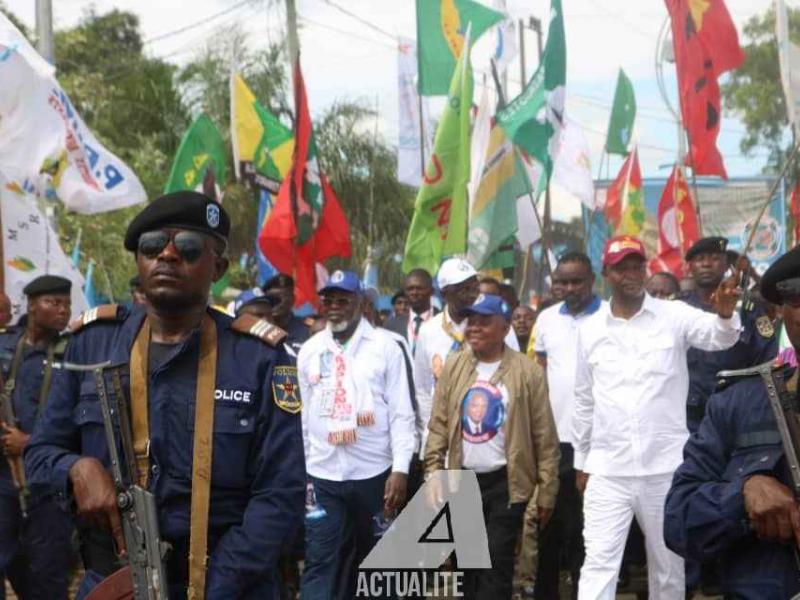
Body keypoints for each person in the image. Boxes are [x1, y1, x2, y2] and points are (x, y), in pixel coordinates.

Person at [25, 191, 305, 599]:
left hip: (230, 583)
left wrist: (214, 586)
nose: (168, 256)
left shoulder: (259, 358)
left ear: (219, 267)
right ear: (139, 261)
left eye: (189, 247)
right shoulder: (93, 345)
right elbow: (40, 454)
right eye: (153, 245)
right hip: (115, 582)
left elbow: (281, 493)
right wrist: (76, 468)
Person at [572, 235, 741, 600]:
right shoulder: (589, 330)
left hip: (665, 469)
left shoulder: (674, 315)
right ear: (606, 273)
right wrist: (582, 461)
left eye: (637, 265)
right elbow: (584, 401)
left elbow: (719, 337)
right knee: (599, 564)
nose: (631, 273)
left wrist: (725, 313)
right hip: (608, 471)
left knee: (668, 567)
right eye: (622, 267)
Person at [664, 244, 800, 599]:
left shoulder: (749, 310)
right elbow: (679, 520)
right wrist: (741, 496)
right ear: (784, 312)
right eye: (797, 298)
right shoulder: (737, 403)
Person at [425, 293, 560, 600]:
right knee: (465, 568)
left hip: (507, 484)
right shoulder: (454, 367)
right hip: (462, 481)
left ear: (504, 327)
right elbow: (439, 425)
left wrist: (548, 490)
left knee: (495, 565)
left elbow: (545, 437)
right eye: (471, 321)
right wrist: (433, 472)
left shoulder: (528, 373)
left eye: (484, 322)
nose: (474, 328)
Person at [297, 270, 416, 600]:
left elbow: (402, 414)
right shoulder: (309, 351)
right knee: (321, 561)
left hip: (375, 476)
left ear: (361, 304)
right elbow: (305, 419)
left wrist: (400, 470)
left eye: (343, 300)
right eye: (329, 300)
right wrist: (306, 473)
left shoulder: (386, 347)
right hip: (323, 476)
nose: (334, 307)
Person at [528, 251, 604, 600]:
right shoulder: (545, 320)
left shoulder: (609, 316)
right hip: (554, 442)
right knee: (549, 525)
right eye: (563, 281)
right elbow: (538, 375)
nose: (570, 287)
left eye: (577, 281)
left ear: (592, 281)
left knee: (587, 531)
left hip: (598, 442)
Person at [0, 275, 74, 599]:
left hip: (48, 482)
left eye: (67, 303)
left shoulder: (72, 351)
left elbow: (80, 423)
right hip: (4, 477)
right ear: (32, 305)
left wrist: (28, 442)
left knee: (48, 571)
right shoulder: (6, 345)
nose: (63, 310)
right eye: (54, 303)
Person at [414, 258, 518, 465]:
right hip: (447, 445)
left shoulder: (499, 326)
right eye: (462, 288)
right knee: (457, 497)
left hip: (492, 440)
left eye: (473, 285)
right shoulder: (428, 331)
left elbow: (516, 379)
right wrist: (434, 434)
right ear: (444, 294)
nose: (472, 293)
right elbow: (423, 389)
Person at [679, 237, 777, 434]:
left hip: (739, 410)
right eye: (700, 258)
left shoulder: (747, 308)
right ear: (689, 267)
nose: (706, 263)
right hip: (690, 416)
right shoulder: (676, 309)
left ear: (726, 265)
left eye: (714, 258)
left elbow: (768, 359)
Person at [383, 268, 437, 352]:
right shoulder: (391, 325)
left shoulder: (444, 321)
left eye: (419, 288)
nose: (414, 293)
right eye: (410, 289)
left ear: (431, 291)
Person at [261, 274, 309, 354]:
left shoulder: (307, 331)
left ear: (293, 300)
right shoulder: (256, 330)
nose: (277, 303)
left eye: (283, 297)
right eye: (272, 297)